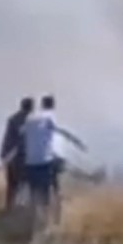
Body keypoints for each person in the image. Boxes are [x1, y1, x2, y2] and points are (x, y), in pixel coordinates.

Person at [20, 95, 87, 225]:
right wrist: (78, 143)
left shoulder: (30, 118)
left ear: (42, 104)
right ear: (53, 106)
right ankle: (47, 224)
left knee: (34, 193)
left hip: (30, 162)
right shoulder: (50, 117)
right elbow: (62, 132)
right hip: (45, 160)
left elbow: (22, 133)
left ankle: (34, 222)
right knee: (48, 193)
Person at [0, 97, 34, 210]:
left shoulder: (13, 119)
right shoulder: (34, 122)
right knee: (26, 186)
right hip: (24, 160)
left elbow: (7, 139)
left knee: (12, 187)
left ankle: (9, 209)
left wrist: (4, 155)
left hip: (12, 158)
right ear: (31, 108)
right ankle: (23, 212)